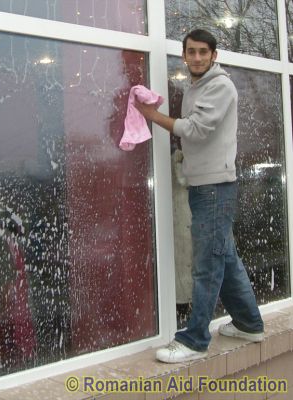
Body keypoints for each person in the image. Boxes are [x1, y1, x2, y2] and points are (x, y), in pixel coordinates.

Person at [135, 29, 264, 363]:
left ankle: (194, 339)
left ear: (213, 55)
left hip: (214, 188)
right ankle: (249, 323)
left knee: (207, 263)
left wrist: (152, 117)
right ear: (184, 54)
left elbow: (195, 129)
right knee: (225, 257)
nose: (196, 57)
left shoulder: (220, 86)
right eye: (191, 52)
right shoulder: (197, 87)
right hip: (203, 186)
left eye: (202, 52)